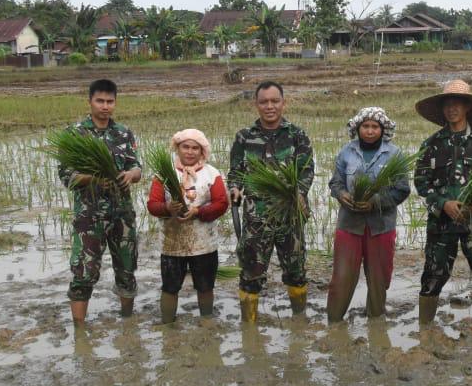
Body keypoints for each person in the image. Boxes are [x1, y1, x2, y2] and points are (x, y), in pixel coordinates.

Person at [414, 79, 472, 325]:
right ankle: (425, 330)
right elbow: (422, 183)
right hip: (441, 225)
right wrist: (443, 203)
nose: (451, 109)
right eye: (447, 104)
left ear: (467, 108)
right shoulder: (431, 145)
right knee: (433, 275)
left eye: (457, 104)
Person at [228, 81, 315, 321]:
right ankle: (249, 328)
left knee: (296, 271)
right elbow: (235, 172)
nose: (270, 106)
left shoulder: (297, 136)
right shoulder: (244, 137)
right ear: (256, 105)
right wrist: (234, 188)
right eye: (264, 102)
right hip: (256, 219)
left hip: (290, 216)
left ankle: (299, 322)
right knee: (250, 274)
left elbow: (306, 171)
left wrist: (300, 192)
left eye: (275, 101)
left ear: (283, 103)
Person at [58, 79, 142, 326]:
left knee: (126, 269)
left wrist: (130, 175)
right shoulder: (75, 134)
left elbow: (136, 166)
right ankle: (79, 330)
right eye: (100, 101)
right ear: (90, 101)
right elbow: (67, 175)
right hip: (90, 216)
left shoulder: (123, 133)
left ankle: (127, 322)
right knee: (84, 272)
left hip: (122, 214)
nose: (105, 106)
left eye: (110, 101)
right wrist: (93, 180)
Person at [326, 107, 411, 323]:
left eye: (375, 127)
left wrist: (376, 202)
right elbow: (335, 182)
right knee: (342, 277)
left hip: (381, 226)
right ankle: (334, 322)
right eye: (366, 126)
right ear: (357, 128)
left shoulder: (394, 154)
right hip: (349, 225)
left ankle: (376, 321)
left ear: (383, 130)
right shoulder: (347, 152)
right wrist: (342, 194)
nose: (370, 131)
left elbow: (402, 189)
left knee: (378, 278)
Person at [145, 129, 229, 323]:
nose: (190, 152)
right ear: (178, 148)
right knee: (170, 287)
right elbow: (152, 205)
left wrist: (198, 211)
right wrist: (167, 208)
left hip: (204, 244)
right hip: (172, 244)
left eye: (195, 148)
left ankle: (206, 321)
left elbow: (221, 203)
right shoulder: (164, 174)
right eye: (186, 147)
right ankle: (167, 324)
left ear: (202, 152)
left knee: (205, 286)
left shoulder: (211, 173)